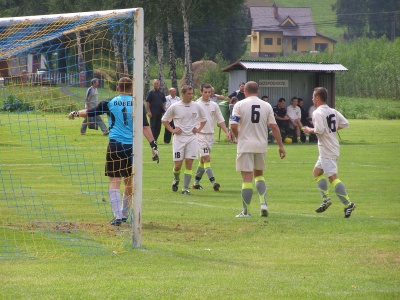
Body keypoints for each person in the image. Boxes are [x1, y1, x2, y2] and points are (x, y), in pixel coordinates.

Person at [69, 77, 160, 226]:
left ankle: (117, 216)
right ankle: (124, 213)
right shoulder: (137, 104)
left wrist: (75, 113)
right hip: (132, 148)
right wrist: (153, 146)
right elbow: (144, 127)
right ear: (131, 89)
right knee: (129, 181)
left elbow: (91, 112)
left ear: (117, 88)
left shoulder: (109, 102)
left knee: (114, 181)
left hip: (115, 146)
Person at [230, 81, 286, 218]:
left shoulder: (239, 104)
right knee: (259, 175)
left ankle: (246, 212)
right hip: (261, 145)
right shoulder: (266, 105)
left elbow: (232, 125)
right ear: (258, 92)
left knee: (247, 178)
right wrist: (281, 146)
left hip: (245, 145)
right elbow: (274, 127)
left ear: (245, 92)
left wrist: (238, 137)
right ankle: (263, 204)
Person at [303, 87, 356, 218]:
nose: (312, 99)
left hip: (327, 148)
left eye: (313, 97)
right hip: (329, 147)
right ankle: (325, 199)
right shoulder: (332, 111)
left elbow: (319, 130)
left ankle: (348, 203)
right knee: (316, 173)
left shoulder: (317, 112)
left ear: (317, 98)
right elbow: (345, 123)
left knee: (332, 177)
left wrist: (309, 130)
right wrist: (331, 130)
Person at [162, 85, 207, 195]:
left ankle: (185, 188)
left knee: (189, 162)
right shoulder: (175, 107)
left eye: (192, 94)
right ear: (183, 94)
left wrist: (199, 129)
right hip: (179, 139)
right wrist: (172, 130)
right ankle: (176, 179)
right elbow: (164, 120)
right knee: (177, 165)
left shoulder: (196, 106)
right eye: (189, 94)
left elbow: (204, 119)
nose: (191, 96)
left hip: (192, 138)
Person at [193, 83, 230, 191]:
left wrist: (227, 132)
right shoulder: (196, 105)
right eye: (205, 92)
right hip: (200, 136)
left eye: (209, 92)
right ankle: (214, 183)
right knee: (207, 158)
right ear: (201, 92)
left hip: (210, 136)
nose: (207, 94)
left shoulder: (214, 105)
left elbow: (221, 120)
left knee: (203, 160)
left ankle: (196, 183)